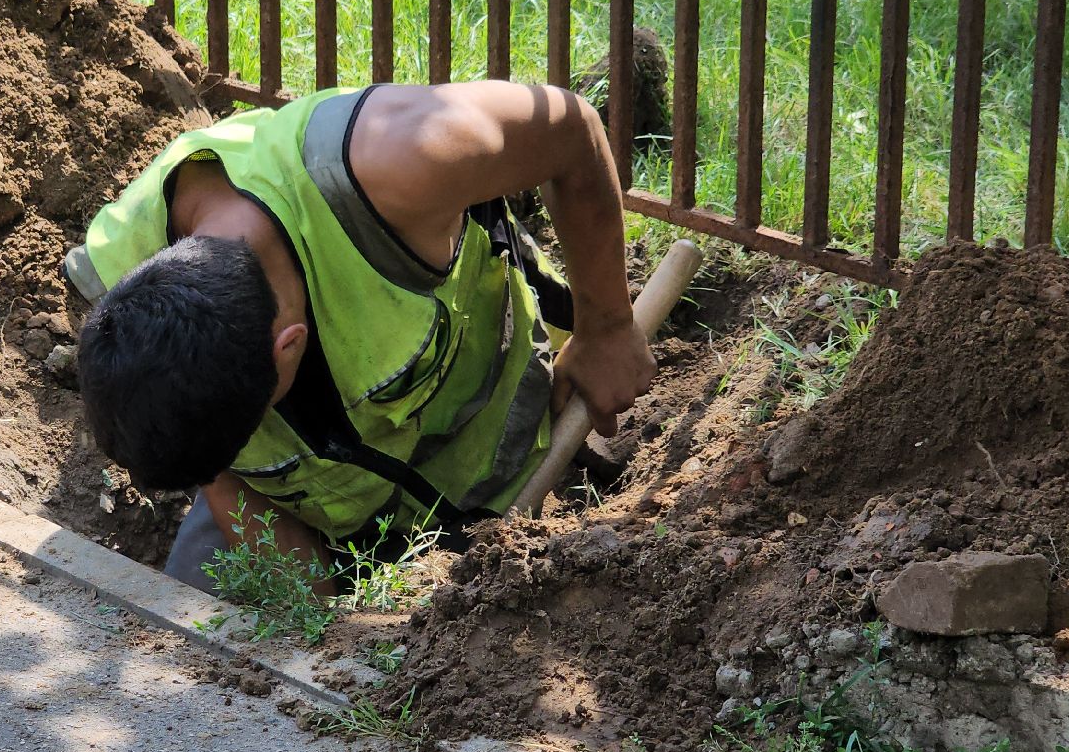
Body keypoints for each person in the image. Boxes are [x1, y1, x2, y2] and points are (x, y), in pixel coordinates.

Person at [62, 81, 656, 594]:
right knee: (192, 646)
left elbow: (571, 129)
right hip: (323, 506)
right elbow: (219, 472)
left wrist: (607, 327)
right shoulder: (124, 269)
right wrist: (315, 609)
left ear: (287, 345)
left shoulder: (401, 162)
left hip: (508, 451)